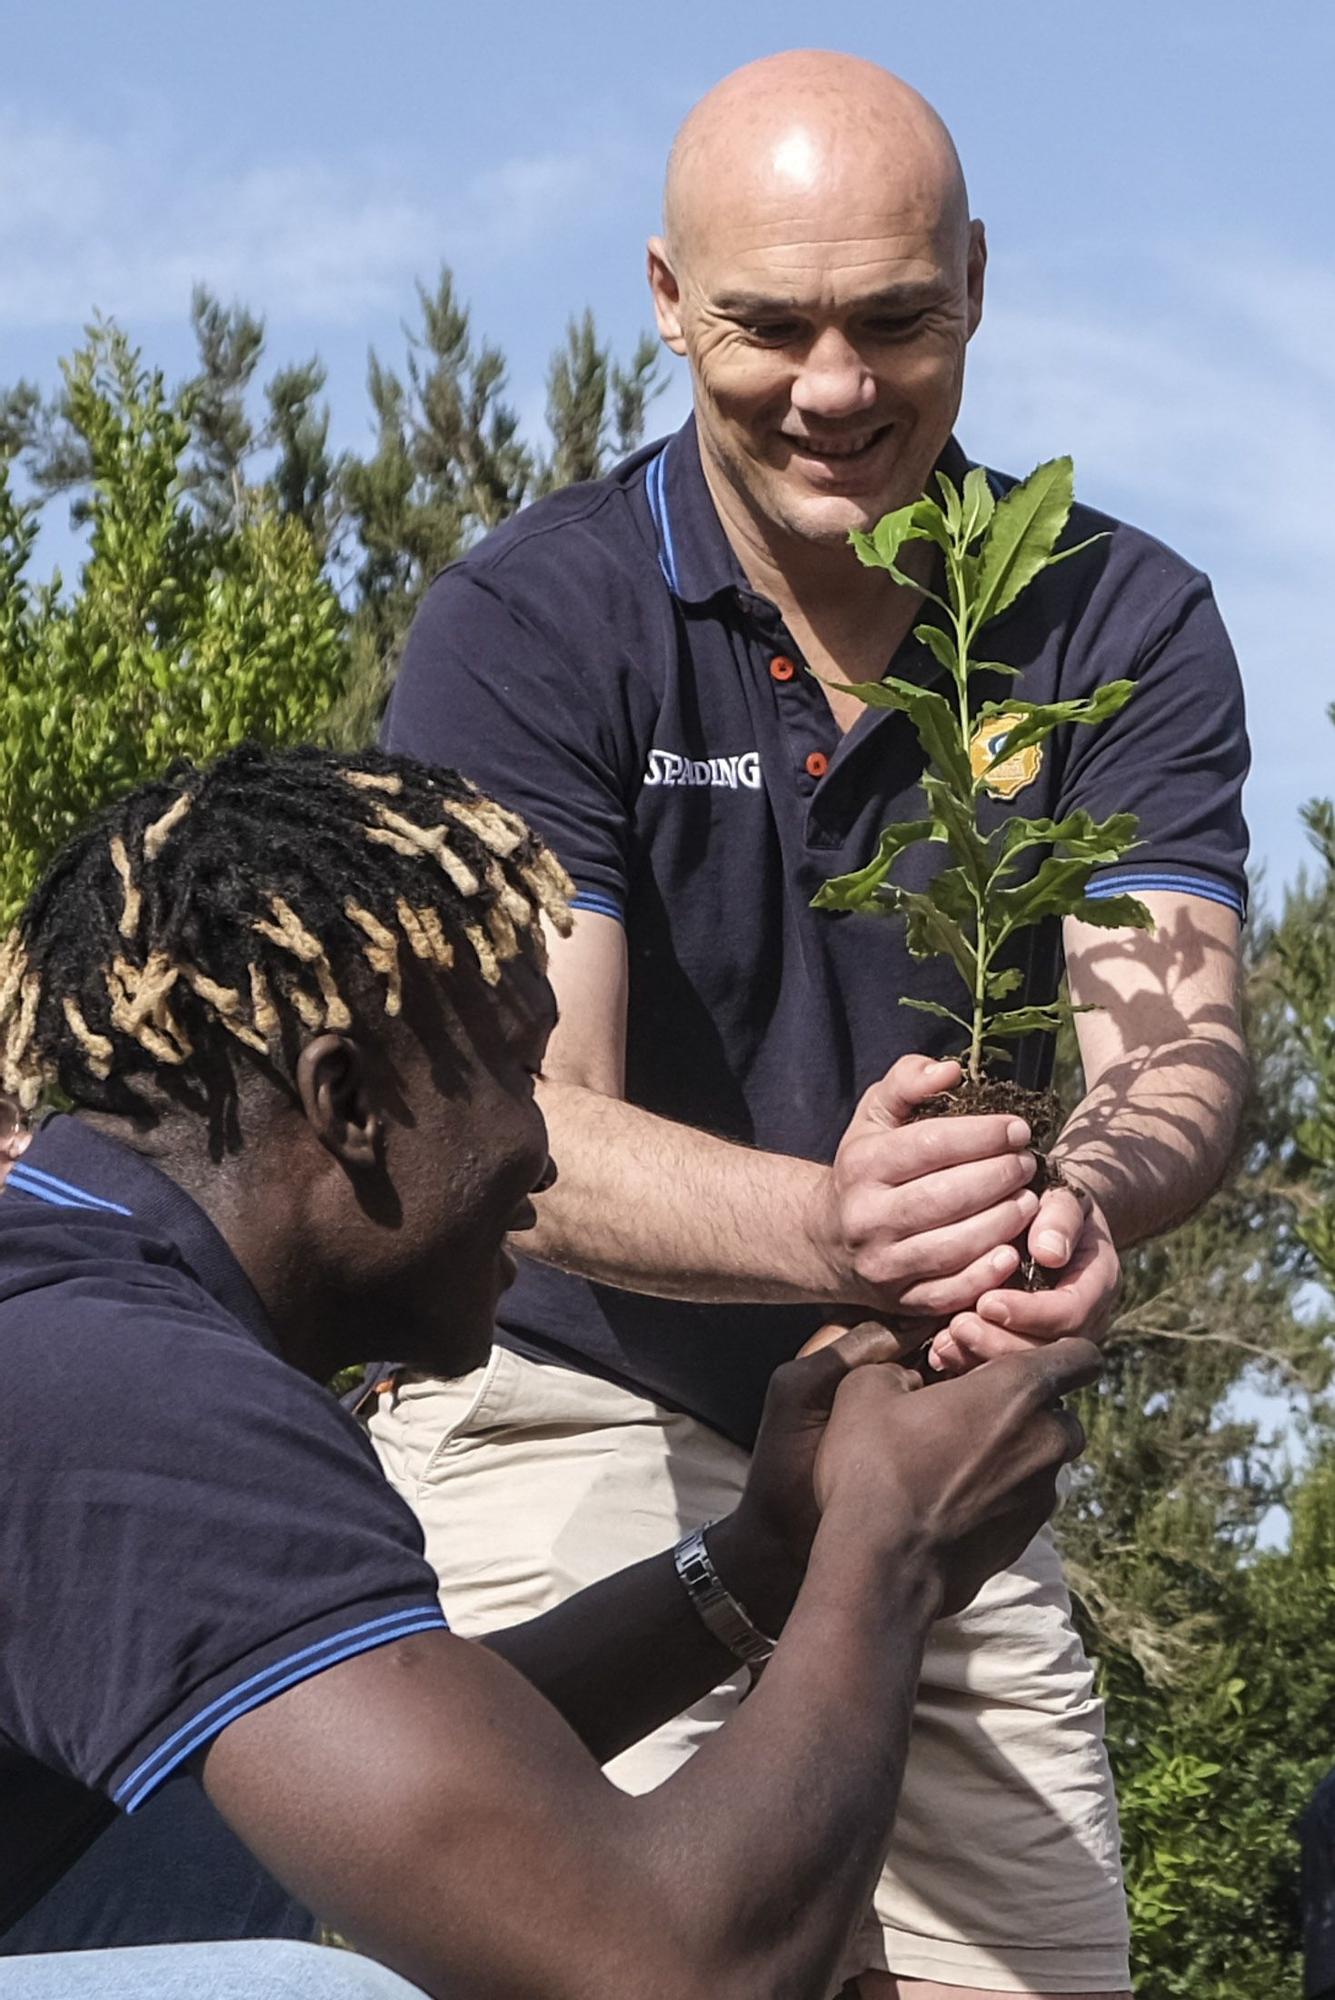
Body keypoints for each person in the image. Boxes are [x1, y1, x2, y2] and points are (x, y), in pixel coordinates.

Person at [379, 48, 1250, 2000]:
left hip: (936, 1424)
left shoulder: (1115, 624)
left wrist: (1088, 1193)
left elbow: (1174, 1041)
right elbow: (520, 1110)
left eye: (893, 319)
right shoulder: (533, 627)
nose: (835, 388)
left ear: (975, 284)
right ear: (670, 299)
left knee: (1029, 1967)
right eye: (769, 326)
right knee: (628, 1956)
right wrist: (823, 1227)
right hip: (576, 1405)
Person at [0, 742, 1098, 1999]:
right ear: (347, 1097)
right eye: (521, 1075)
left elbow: (428, 1772)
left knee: (266, 1841)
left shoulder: (78, 1316)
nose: (541, 1154)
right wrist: (887, 1542)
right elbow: (661, 1971)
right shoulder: (129, 1389)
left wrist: (771, 1555)